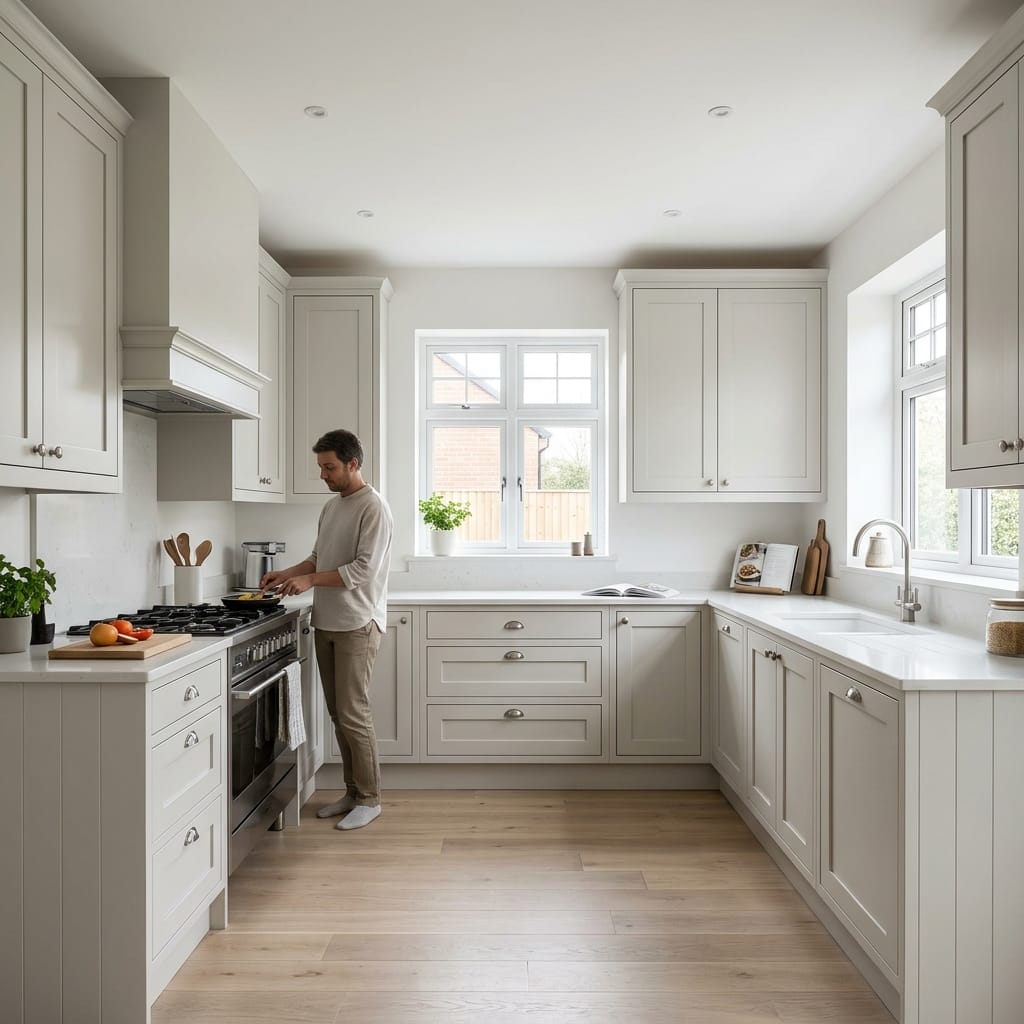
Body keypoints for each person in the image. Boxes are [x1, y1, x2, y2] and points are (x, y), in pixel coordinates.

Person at [261, 428, 393, 830]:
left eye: (330, 467)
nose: (323, 474)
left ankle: (370, 798)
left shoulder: (374, 507)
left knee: (354, 712)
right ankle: (353, 793)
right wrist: (288, 572)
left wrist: (312, 581)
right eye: (321, 467)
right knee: (338, 713)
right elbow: (319, 557)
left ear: (354, 463)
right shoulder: (332, 507)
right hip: (327, 621)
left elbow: (361, 571)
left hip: (358, 622)